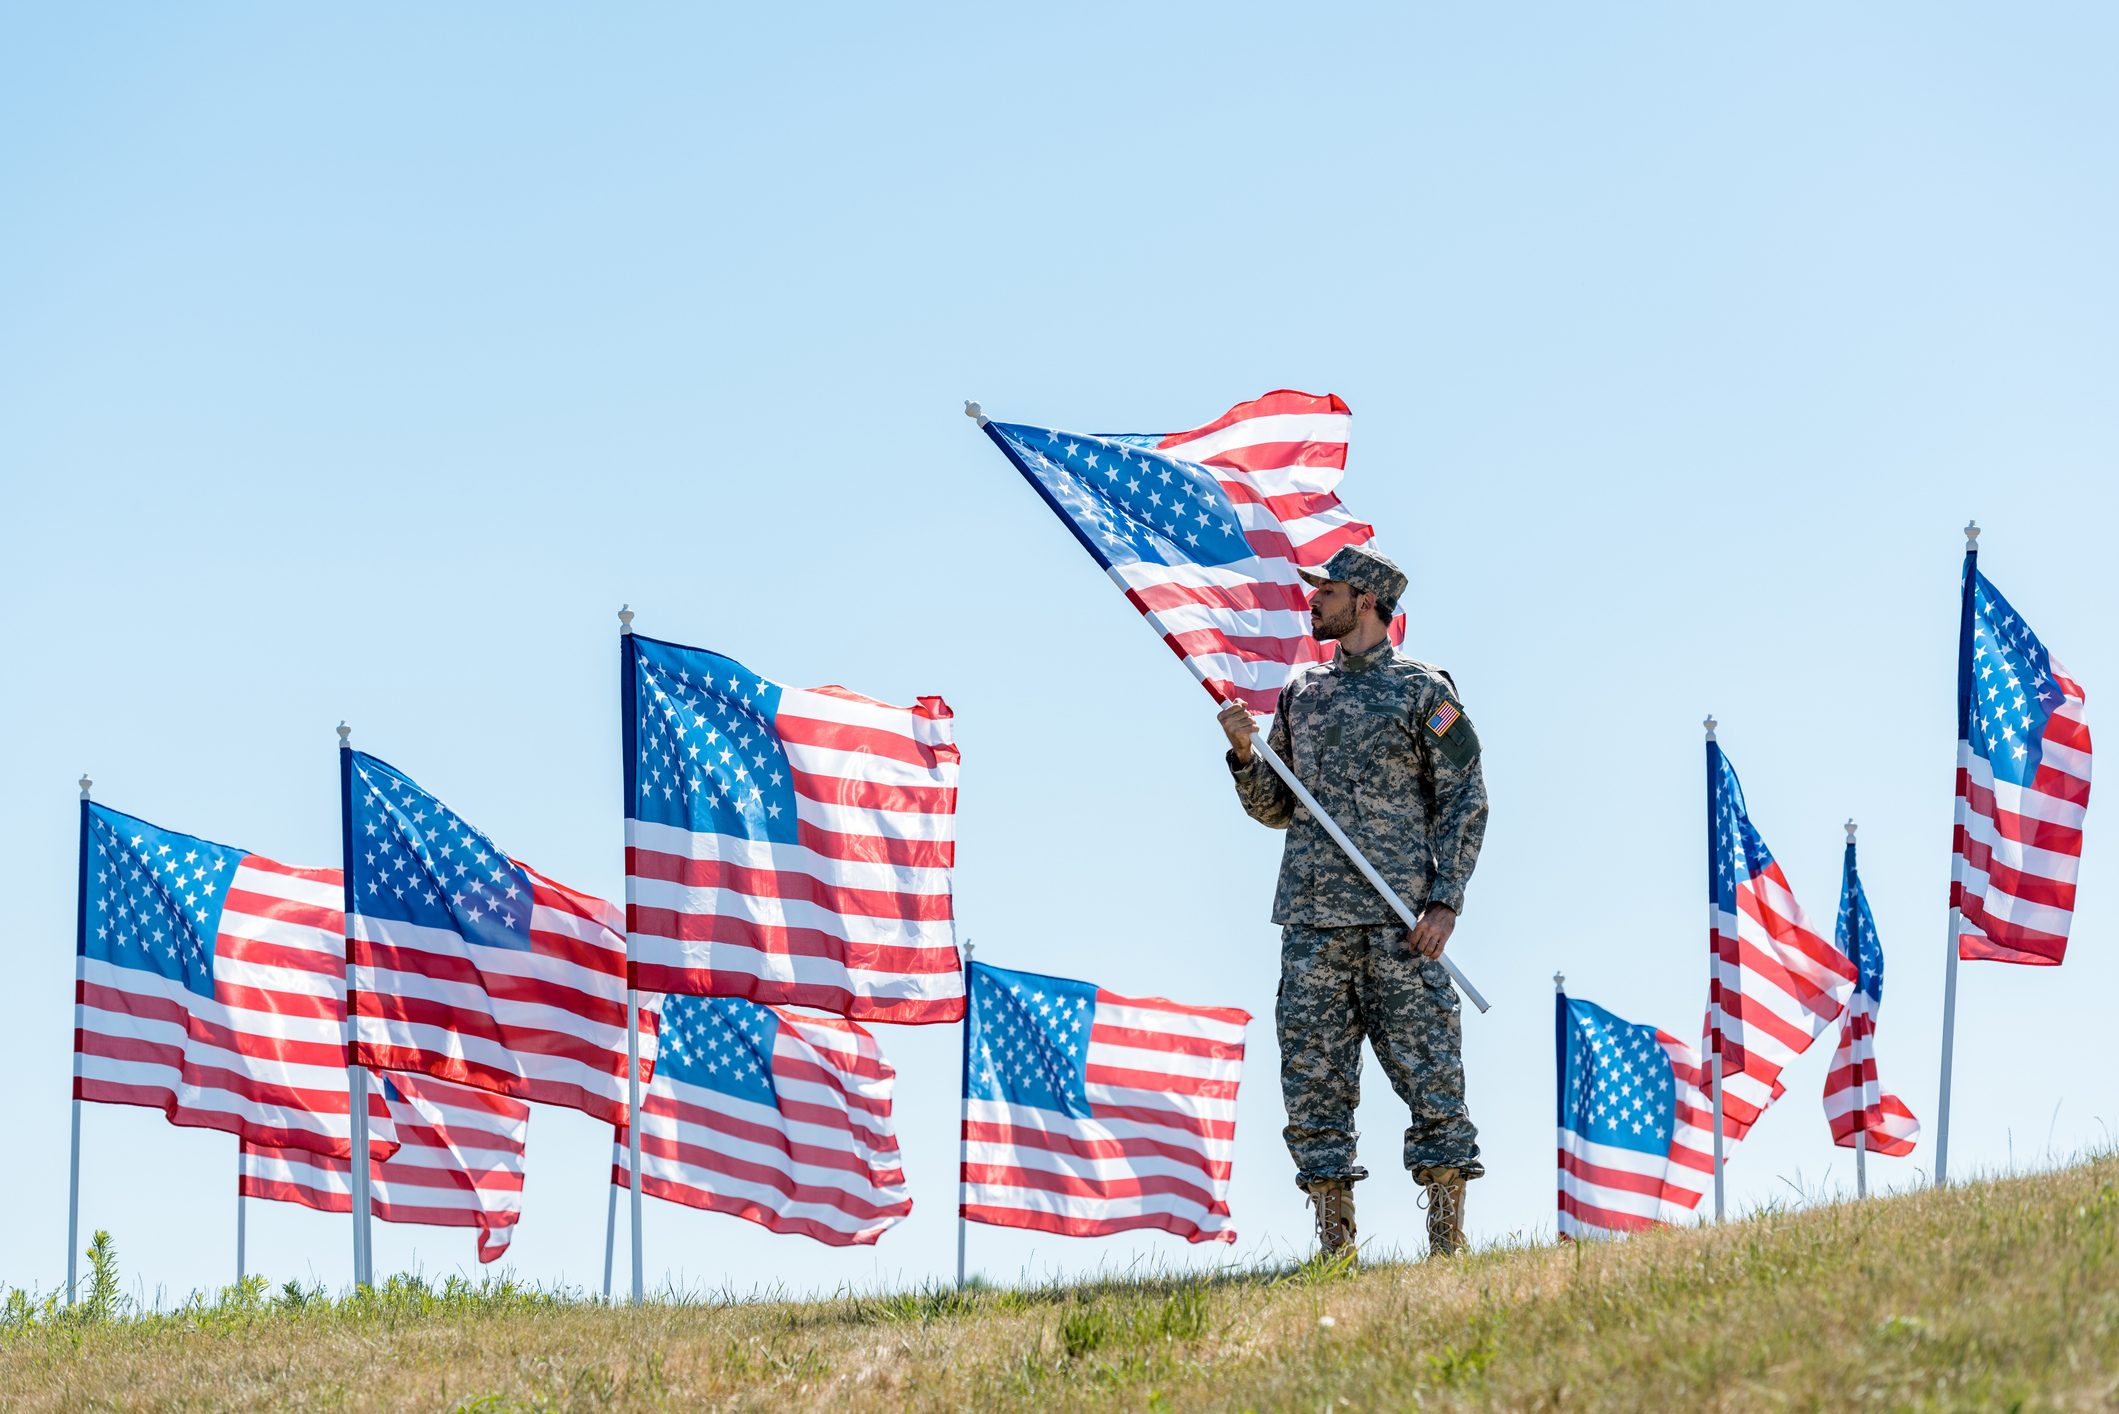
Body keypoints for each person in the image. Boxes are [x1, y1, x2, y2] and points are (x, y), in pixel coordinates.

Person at [1217, 542, 1489, 1263]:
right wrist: (1246, 758)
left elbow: (1464, 797)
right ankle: (1334, 1249)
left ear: (1365, 601)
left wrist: (1444, 901)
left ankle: (1445, 1244)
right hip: (1311, 920)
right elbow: (1276, 808)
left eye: (1327, 592)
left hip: (1400, 921)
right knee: (1313, 1082)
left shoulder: (1422, 692)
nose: (1313, 603)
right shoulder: (1301, 691)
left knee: (1431, 1075)